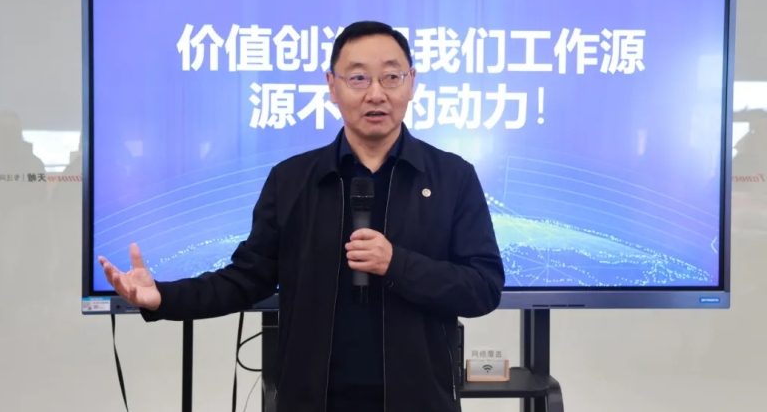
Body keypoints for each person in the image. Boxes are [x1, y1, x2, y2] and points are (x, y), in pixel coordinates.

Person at [99, 21, 506, 412]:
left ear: (411, 83)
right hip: (312, 400)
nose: (376, 94)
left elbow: (483, 287)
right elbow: (246, 278)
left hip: (420, 401)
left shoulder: (452, 177)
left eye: (391, 77)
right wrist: (162, 297)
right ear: (332, 86)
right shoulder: (292, 180)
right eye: (358, 78)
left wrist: (396, 264)